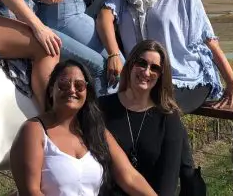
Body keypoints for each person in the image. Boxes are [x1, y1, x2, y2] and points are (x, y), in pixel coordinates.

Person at [96, 0, 233, 194]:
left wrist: (230, 79)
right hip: (146, 78)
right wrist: (114, 53)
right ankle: (189, 182)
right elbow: (105, 16)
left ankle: (171, 184)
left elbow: (208, 38)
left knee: (163, 106)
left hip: (187, 78)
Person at [10, 59, 157, 196]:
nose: (71, 90)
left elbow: (130, 177)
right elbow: (31, 191)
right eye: (63, 84)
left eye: (79, 86)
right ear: (51, 90)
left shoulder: (96, 131)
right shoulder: (34, 130)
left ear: (87, 92)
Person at [98, 40, 185, 195]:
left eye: (155, 68)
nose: (146, 72)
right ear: (131, 65)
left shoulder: (168, 118)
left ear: (161, 75)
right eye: (141, 63)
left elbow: (168, 181)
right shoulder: (101, 107)